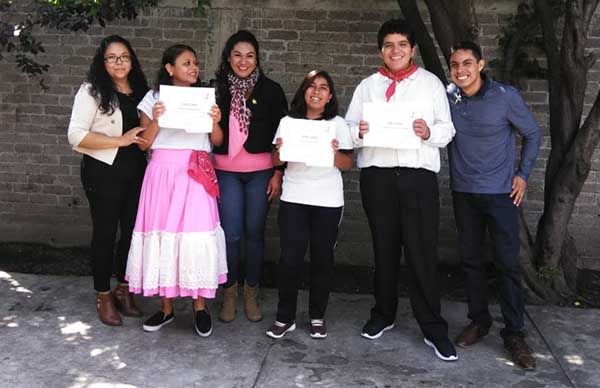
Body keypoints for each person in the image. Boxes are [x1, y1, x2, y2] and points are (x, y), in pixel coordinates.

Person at [345, 18, 457, 361]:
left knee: (421, 251)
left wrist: (428, 133)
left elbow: (447, 129)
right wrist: (360, 132)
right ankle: (383, 314)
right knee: (384, 248)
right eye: (389, 45)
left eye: (402, 45)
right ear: (381, 49)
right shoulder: (368, 86)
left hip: (416, 177)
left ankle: (432, 325)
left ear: (412, 49)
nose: (395, 51)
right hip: (378, 176)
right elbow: (347, 131)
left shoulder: (430, 84)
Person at [447, 41, 541, 370]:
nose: (461, 70)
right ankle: (479, 321)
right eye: (455, 64)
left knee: (506, 264)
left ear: (481, 64)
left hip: (502, 194)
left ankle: (514, 334)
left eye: (467, 63)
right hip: (464, 193)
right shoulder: (448, 98)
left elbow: (533, 133)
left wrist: (523, 175)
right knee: (471, 261)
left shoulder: (505, 97)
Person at [125, 44, 227, 337]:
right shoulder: (153, 98)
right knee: (163, 235)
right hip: (162, 174)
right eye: (186, 63)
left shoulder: (205, 97)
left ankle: (199, 307)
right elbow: (143, 143)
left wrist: (216, 121)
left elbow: (217, 141)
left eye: (195, 63)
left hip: (195, 172)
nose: (193, 68)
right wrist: (157, 118)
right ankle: (166, 308)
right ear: (169, 68)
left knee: (195, 236)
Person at [67, 35, 149, 326]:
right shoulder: (91, 91)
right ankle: (103, 294)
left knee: (131, 233)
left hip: (137, 170)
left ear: (132, 60)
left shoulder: (142, 91)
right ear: (103, 62)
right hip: (103, 171)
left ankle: (123, 289)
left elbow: (148, 134)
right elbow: (75, 135)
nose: (119, 62)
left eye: (124, 56)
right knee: (105, 233)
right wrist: (119, 140)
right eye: (112, 57)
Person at [265, 70, 353, 339]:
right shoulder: (288, 122)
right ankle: (285, 317)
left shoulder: (338, 124)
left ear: (330, 96)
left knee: (322, 260)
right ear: (304, 91)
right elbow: (275, 160)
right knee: (290, 259)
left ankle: (317, 315)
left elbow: (347, 164)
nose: (317, 91)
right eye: (312, 86)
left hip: (327, 199)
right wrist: (279, 150)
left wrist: (335, 152)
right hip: (295, 197)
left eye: (323, 88)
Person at [213, 30, 288, 323]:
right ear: (228, 57)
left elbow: (283, 136)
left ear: (257, 59)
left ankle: (251, 292)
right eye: (237, 55)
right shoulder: (215, 89)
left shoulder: (271, 90)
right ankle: (230, 292)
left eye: (250, 56)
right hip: (226, 171)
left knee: (255, 234)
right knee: (231, 234)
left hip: (260, 172)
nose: (243, 61)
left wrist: (278, 173)